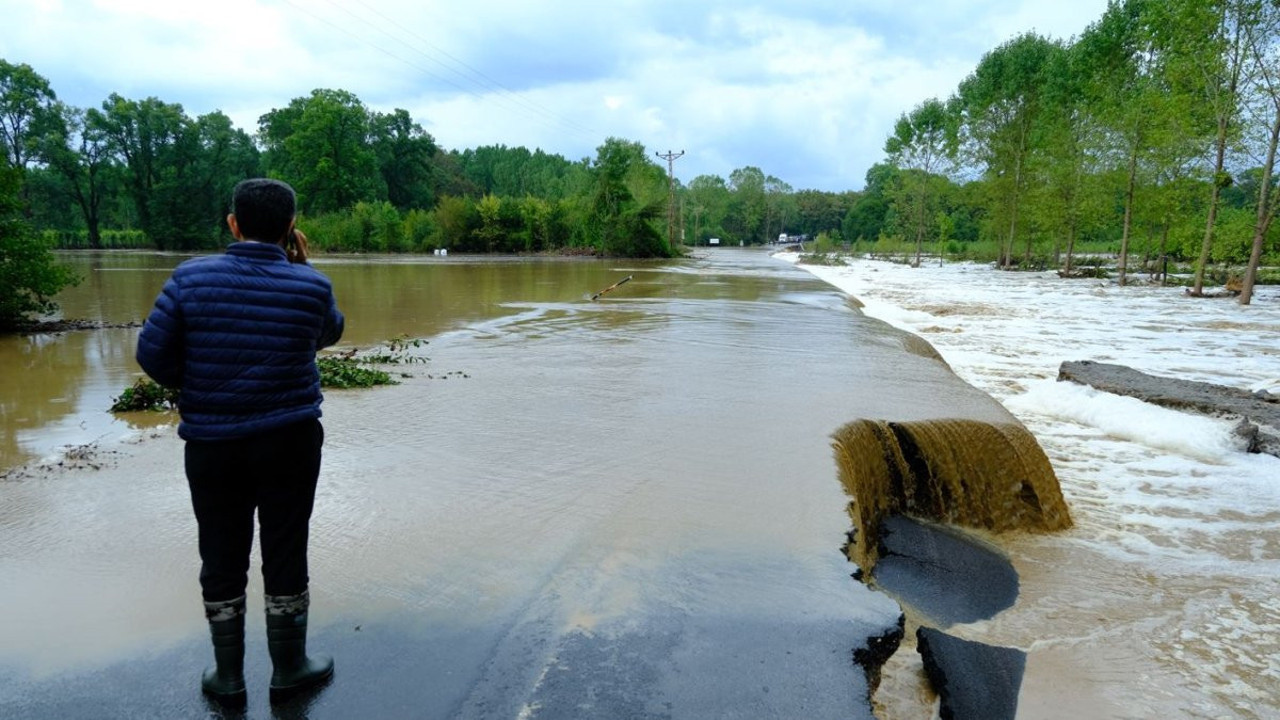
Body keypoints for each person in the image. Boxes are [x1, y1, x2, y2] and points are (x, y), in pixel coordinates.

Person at [136, 178, 344, 708]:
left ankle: (228, 676)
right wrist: (301, 270)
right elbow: (327, 333)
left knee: (221, 549)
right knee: (284, 545)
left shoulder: (188, 279)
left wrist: (203, 384)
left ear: (233, 224)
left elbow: (153, 357)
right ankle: (289, 668)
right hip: (291, 440)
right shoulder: (310, 286)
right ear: (291, 229)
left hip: (212, 442)